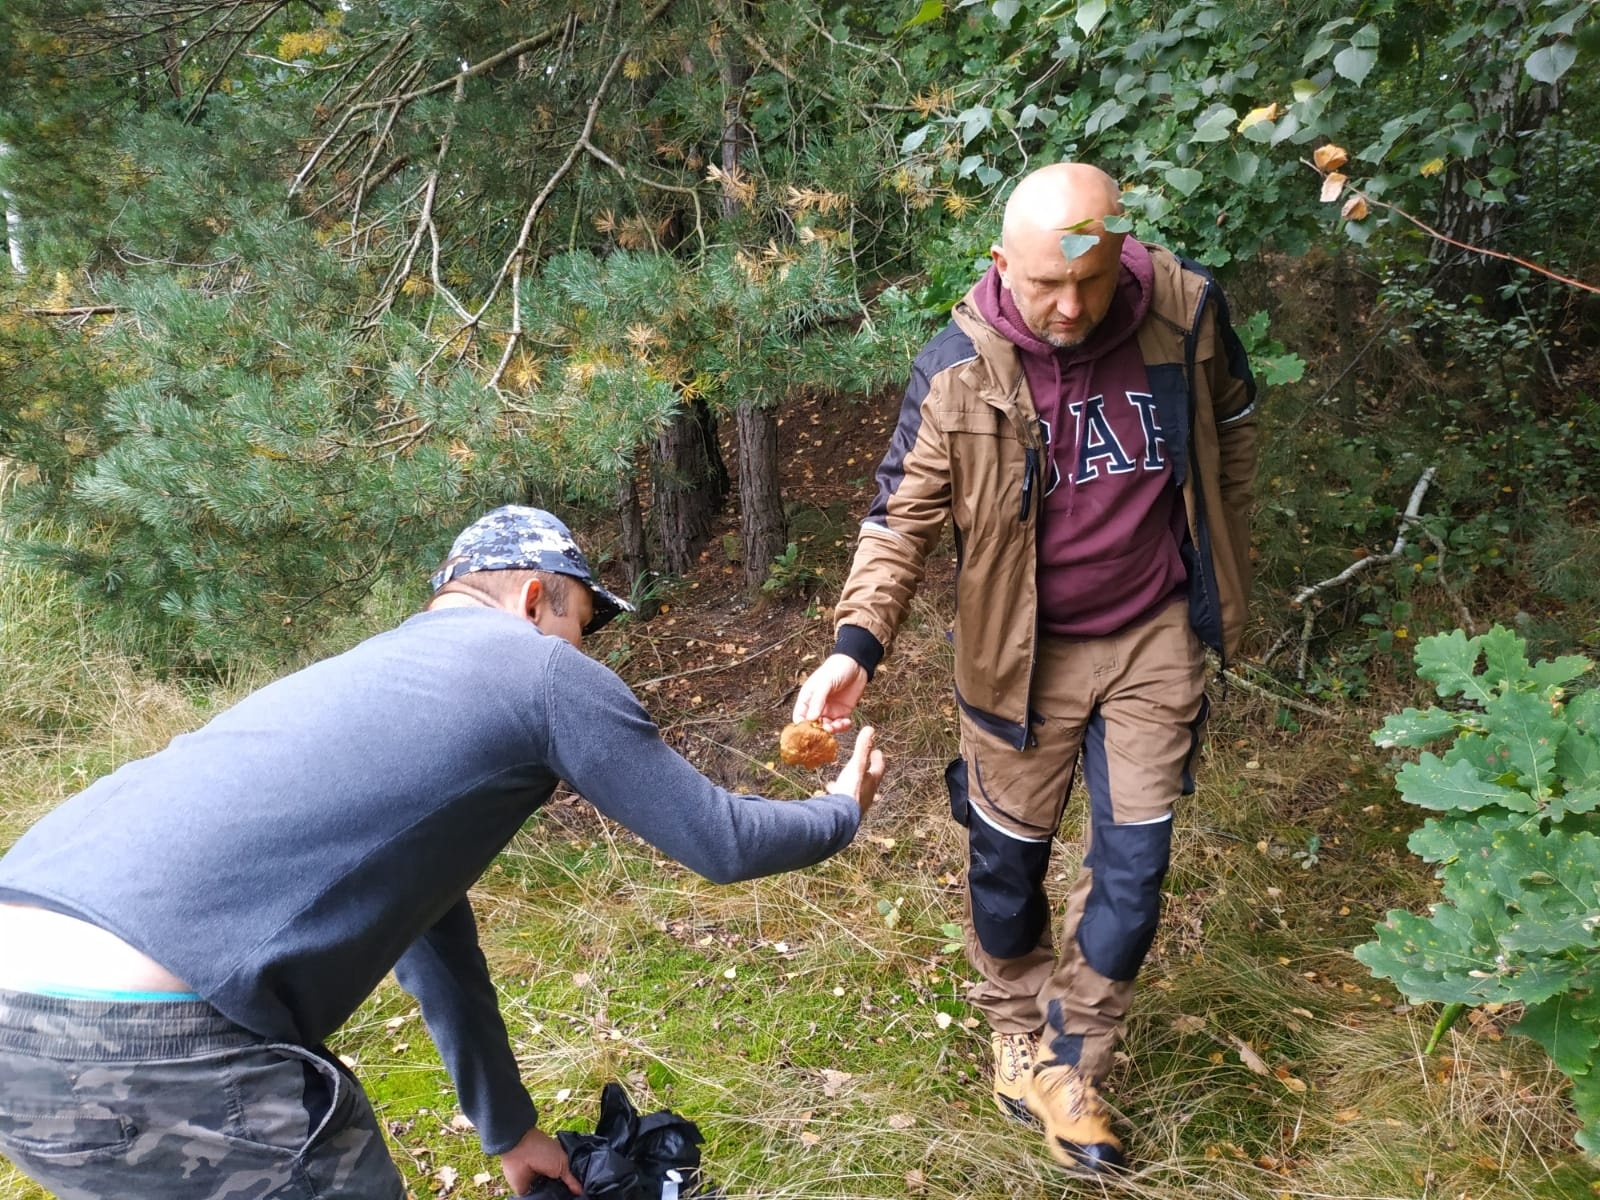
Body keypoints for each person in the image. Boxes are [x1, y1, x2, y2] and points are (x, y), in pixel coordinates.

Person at [0, 505, 886, 1200]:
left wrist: (506, 1129)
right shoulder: (536, 668)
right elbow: (721, 841)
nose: (584, 648)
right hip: (145, 1037)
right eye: (582, 619)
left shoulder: (378, 684)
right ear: (537, 596)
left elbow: (431, 940)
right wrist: (840, 810)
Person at [793, 162, 1256, 1172]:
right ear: (1001, 262)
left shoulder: (1184, 312)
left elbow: (1234, 431)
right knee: (1007, 863)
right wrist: (850, 648)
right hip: (1021, 657)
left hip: (1152, 636)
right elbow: (897, 522)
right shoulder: (959, 366)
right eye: (1045, 285)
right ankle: (1014, 1020)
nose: (1070, 307)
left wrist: (1222, 560)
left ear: (1117, 251)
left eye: (1089, 283)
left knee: (1133, 869)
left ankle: (1068, 1058)